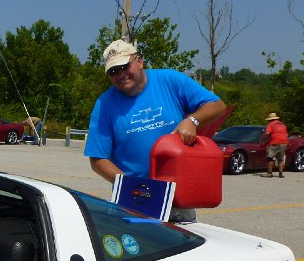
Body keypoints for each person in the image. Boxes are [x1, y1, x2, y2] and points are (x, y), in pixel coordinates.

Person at [85, 40, 226, 182]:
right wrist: (129, 186)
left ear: (139, 61)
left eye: (124, 66)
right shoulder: (104, 104)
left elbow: (218, 106)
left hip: (178, 190)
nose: (121, 74)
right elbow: (98, 159)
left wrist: (192, 121)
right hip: (133, 196)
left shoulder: (170, 80)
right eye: (113, 71)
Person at [261, 111, 289, 178]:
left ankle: (270, 173)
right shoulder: (282, 125)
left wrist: (262, 139)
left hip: (274, 142)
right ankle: (280, 173)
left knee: (270, 157)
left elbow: (267, 133)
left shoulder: (271, 124)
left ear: (270, 119)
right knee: (281, 158)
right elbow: (285, 134)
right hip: (284, 142)